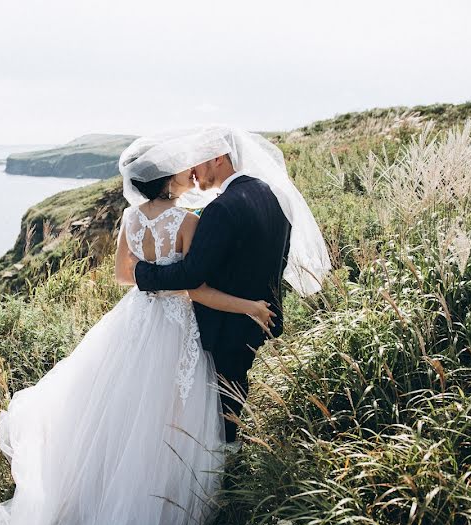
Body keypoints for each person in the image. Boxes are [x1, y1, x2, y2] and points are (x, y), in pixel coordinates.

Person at [0, 130, 286, 525]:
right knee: (171, 412)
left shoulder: (131, 219)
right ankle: (161, 503)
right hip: (176, 327)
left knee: (119, 404)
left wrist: (147, 282)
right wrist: (248, 305)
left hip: (135, 319)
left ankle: (104, 491)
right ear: (170, 179)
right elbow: (193, 287)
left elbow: (121, 275)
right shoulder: (188, 220)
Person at [127, 126, 331, 446]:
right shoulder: (269, 193)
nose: (193, 172)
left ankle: (225, 465)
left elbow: (191, 276)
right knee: (234, 395)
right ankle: (229, 455)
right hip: (257, 318)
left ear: (219, 158)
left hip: (225, 325)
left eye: (199, 162)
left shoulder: (221, 209)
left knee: (221, 408)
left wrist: (142, 274)